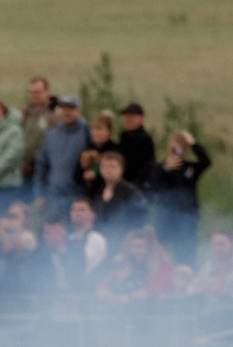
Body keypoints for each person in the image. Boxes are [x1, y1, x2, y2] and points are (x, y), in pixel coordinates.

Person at [144, 131, 212, 259]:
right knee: (161, 252)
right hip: (165, 216)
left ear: (185, 149)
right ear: (169, 147)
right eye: (174, 146)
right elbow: (151, 186)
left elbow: (206, 162)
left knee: (186, 252)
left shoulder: (191, 168)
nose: (177, 149)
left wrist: (193, 143)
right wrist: (166, 169)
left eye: (181, 146)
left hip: (187, 217)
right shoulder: (160, 168)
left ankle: (186, 274)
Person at [35, 95, 88, 214]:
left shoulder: (87, 131)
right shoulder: (51, 135)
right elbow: (42, 165)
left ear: (79, 111)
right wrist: (40, 194)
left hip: (78, 194)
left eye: (71, 109)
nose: (67, 112)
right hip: (53, 194)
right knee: (53, 229)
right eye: (64, 109)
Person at [82, 151, 143, 235]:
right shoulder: (97, 191)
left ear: (121, 169)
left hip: (121, 237)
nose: (108, 170)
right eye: (104, 166)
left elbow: (140, 216)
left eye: (112, 166)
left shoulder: (130, 191)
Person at [187, 231, 233, 304]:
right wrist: (208, 288)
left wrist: (228, 296)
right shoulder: (208, 267)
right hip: (208, 312)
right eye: (215, 245)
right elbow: (190, 289)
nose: (218, 248)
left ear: (231, 245)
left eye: (222, 244)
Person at [115, 103, 157, 186]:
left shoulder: (145, 139)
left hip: (137, 185)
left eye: (132, 117)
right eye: (126, 117)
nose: (128, 119)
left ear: (141, 119)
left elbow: (148, 166)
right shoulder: (124, 137)